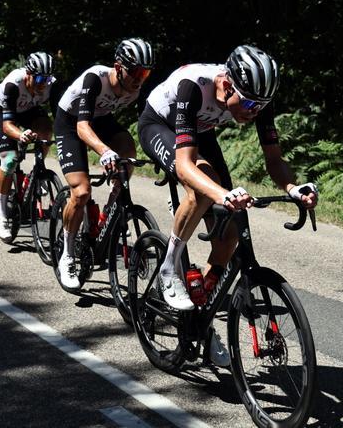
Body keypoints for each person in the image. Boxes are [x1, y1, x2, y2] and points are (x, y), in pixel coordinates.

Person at [137, 45, 319, 366]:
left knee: (230, 233)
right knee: (204, 188)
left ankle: (201, 310)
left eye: (260, 107)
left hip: (201, 129)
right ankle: (169, 267)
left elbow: (274, 161)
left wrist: (293, 187)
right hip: (160, 124)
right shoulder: (193, 86)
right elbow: (184, 165)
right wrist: (221, 193)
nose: (253, 112)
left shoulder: (256, 97)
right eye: (248, 104)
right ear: (225, 85)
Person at [53, 37, 154, 290]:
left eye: (146, 72)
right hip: (72, 121)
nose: (139, 78)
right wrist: (104, 150)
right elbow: (82, 126)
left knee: (128, 150)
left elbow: (147, 126)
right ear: (118, 66)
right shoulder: (95, 78)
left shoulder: (137, 87)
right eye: (135, 71)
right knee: (81, 192)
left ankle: (112, 207)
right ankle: (67, 254)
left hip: (102, 119)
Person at [0, 51, 55, 242]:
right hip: (4, 112)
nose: (43, 83)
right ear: (28, 74)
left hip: (29, 109)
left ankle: (38, 173)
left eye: (47, 78)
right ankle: (2, 215)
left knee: (45, 131)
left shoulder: (50, 85)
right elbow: (7, 125)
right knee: (9, 160)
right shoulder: (13, 85)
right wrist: (21, 134)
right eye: (39, 78)